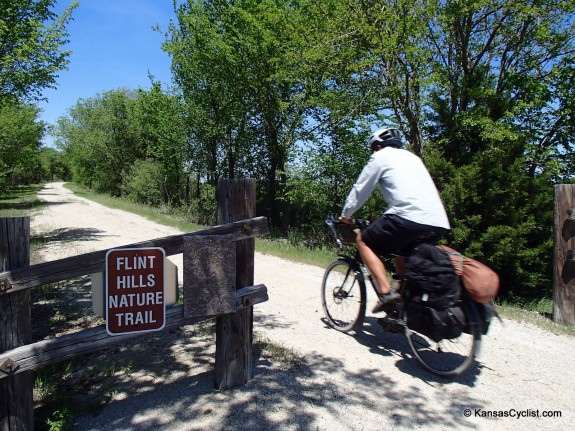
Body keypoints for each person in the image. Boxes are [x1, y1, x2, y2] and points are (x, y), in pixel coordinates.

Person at [339, 127, 450, 313]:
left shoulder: (381, 156)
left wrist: (346, 215)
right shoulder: (414, 159)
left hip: (407, 217)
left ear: (378, 146)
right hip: (438, 222)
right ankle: (403, 310)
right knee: (403, 257)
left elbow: (360, 190)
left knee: (363, 241)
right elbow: (409, 193)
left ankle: (386, 292)